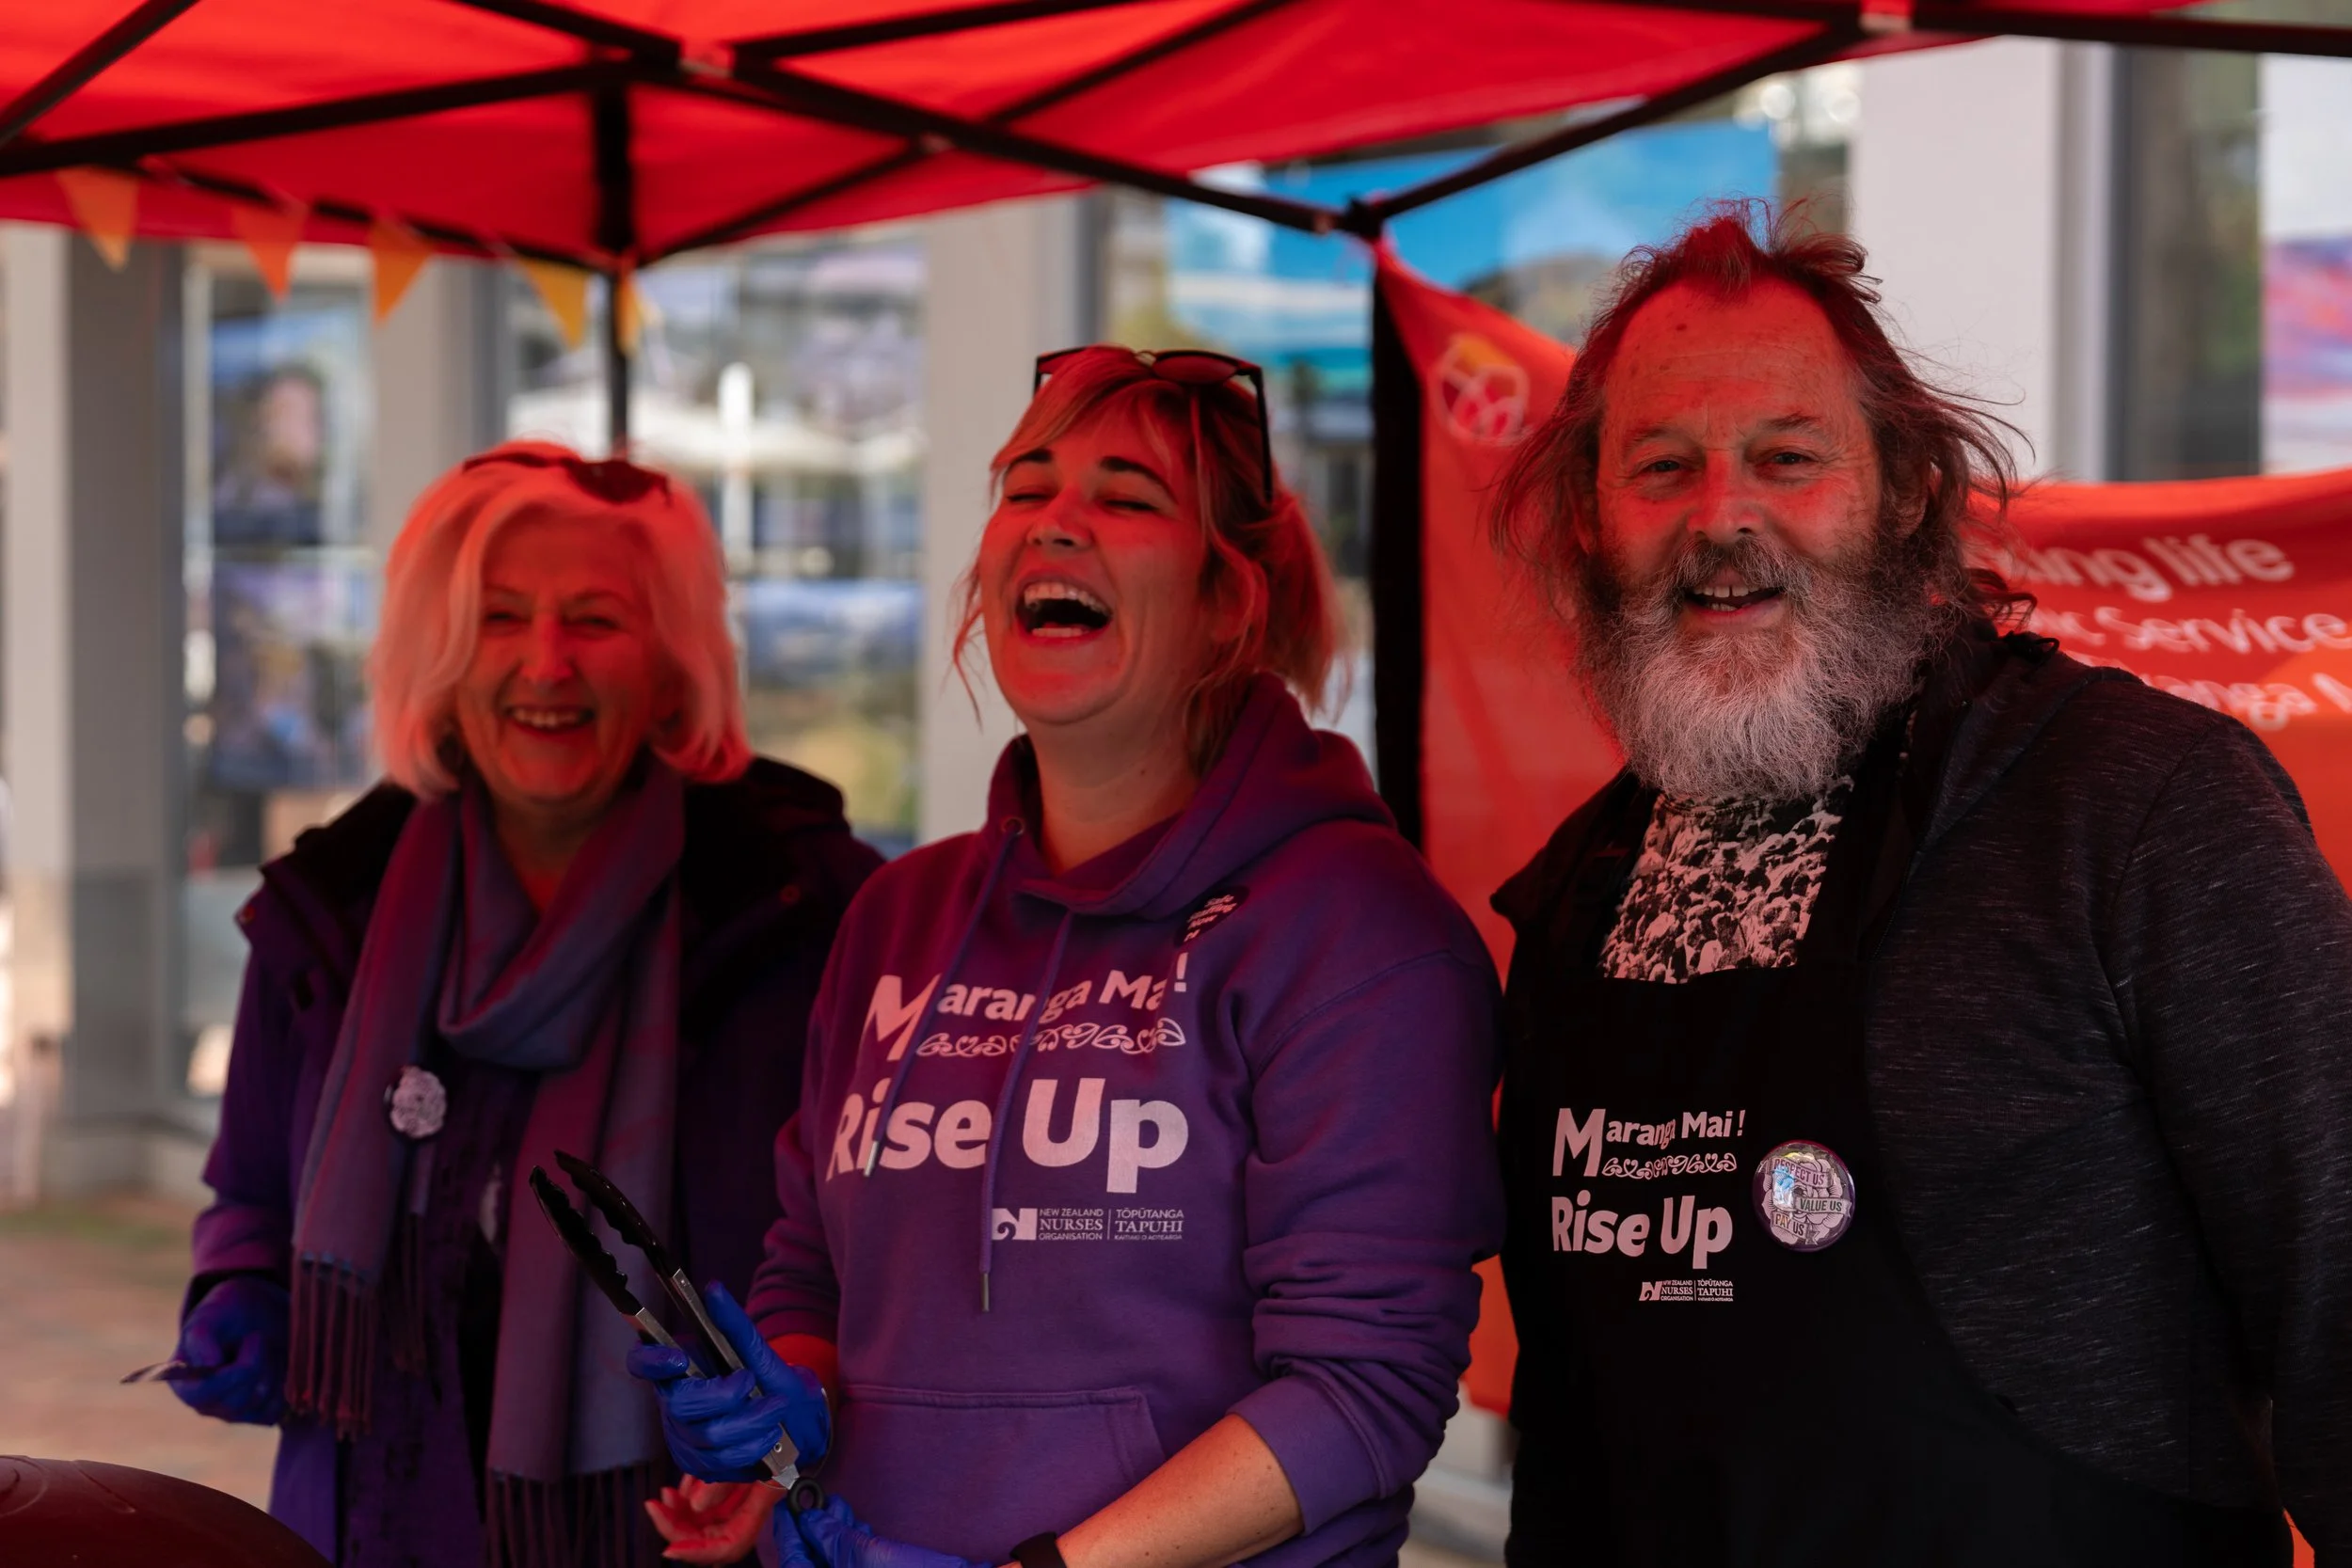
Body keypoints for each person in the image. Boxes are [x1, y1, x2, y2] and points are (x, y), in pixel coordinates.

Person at [1486, 204, 2352, 1564]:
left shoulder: (2138, 809)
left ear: (1903, 492)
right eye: (1661, 465)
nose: (1724, 517)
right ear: (1591, 520)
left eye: (1788, 456)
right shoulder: (1572, 899)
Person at [630, 346, 1506, 1568]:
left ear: (1226, 598)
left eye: (1128, 496)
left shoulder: (1355, 929)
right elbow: (816, 1267)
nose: (1055, 524)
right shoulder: (898, 914)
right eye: (1026, 486)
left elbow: (1367, 1390)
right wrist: (786, 1406)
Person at [175, 441, 880, 1568]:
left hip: (685, 1529)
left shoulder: (803, 910)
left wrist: (806, 1382)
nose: (546, 664)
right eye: (501, 618)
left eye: (595, 619)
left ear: (669, 659)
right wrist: (241, 1288)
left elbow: (874, 1245)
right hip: (377, 1521)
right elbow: (249, 1188)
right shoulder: (331, 908)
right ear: (440, 654)